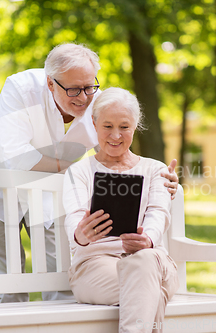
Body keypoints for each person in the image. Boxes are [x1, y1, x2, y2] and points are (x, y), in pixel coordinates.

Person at [0, 43, 179, 303]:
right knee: (8, 276)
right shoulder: (20, 88)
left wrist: (159, 177)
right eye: (73, 89)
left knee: (59, 271)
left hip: (54, 189)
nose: (83, 97)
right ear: (50, 84)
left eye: (89, 86)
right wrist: (76, 171)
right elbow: (18, 158)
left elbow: (116, 154)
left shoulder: (98, 102)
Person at [63, 87, 180, 333]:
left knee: (145, 261)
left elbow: (159, 213)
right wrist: (80, 235)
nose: (115, 135)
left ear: (135, 126)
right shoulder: (80, 172)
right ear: (94, 124)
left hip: (153, 263)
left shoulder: (156, 170)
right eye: (107, 126)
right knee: (149, 291)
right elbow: (74, 220)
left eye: (124, 127)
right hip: (95, 267)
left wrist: (147, 240)